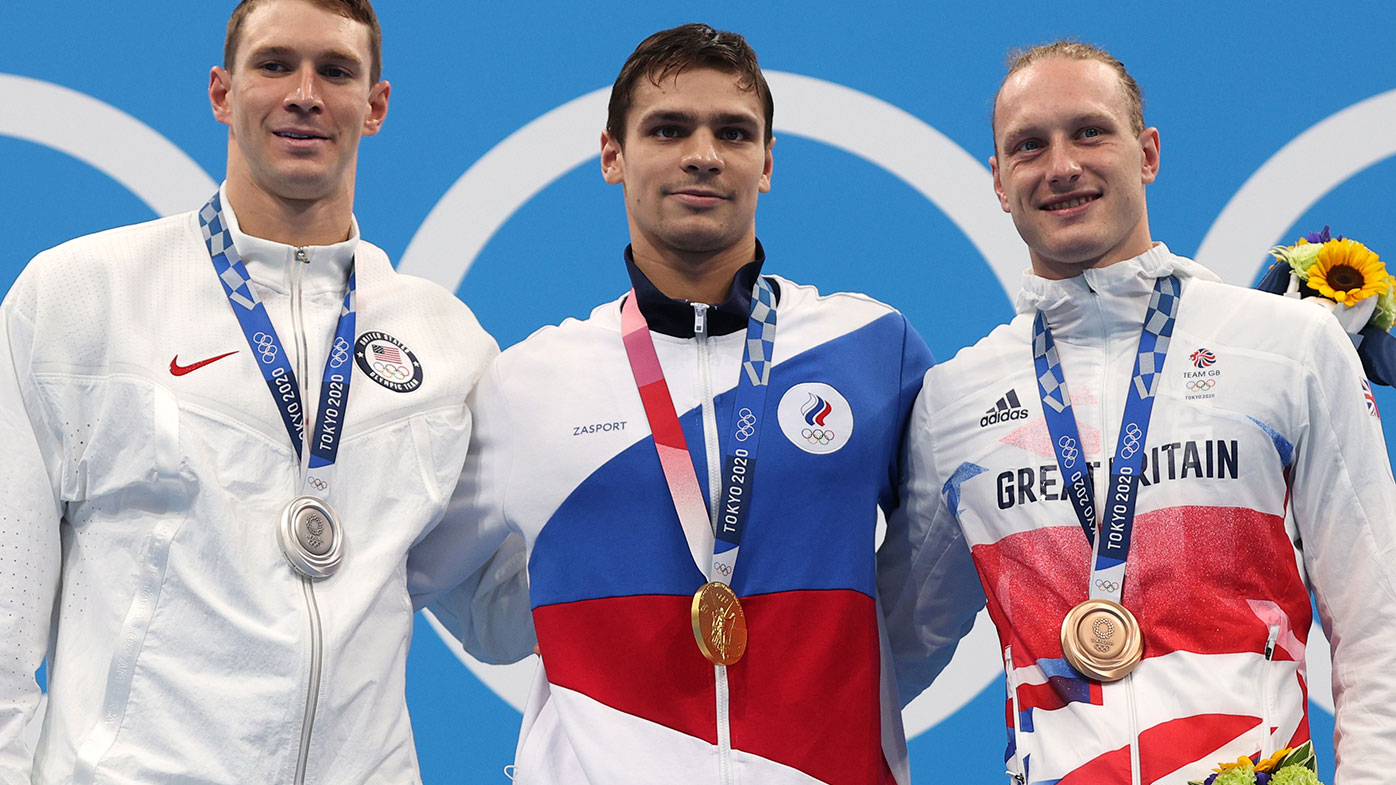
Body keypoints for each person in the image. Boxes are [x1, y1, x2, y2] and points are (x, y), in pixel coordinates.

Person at [409, 22, 977, 785]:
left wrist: (842, 692)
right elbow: (440, 575)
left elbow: (934, 578)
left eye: (733, 132)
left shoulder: (874, 347)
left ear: (767, 162)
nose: (703, 154)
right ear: (612, 155)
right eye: (668, 129)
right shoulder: (531, 380)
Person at [0, 1, 496, 782]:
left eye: (336, 70)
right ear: (221, 92)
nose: (305, 92)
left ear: (376, 106)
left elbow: (500, 606)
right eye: (274, 64)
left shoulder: (446, 341)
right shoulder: (80, 295)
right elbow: (5, 599)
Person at [883, 40, 1396, 784]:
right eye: (1029, 146)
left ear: (1147, 152)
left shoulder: (1289, 344)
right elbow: (893, 650)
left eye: (1089, 132)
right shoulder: (955, 401)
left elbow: (1377, 616)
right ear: (997, 181)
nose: (1061, 165)